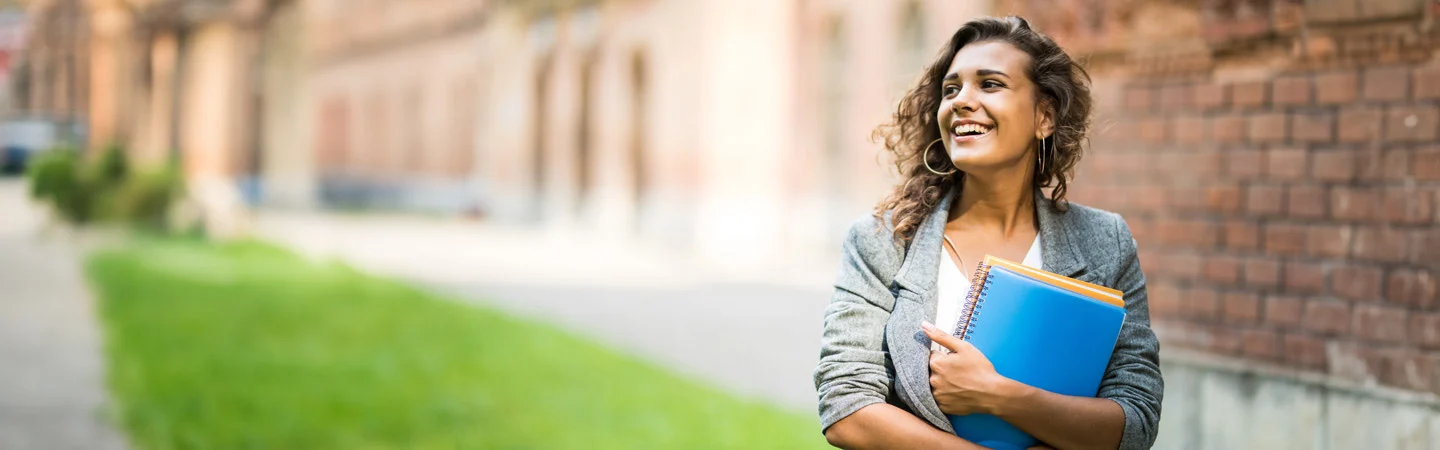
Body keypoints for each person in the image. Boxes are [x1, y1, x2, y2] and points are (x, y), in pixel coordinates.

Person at [813, 16, 1163, 450]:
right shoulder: (883, 240)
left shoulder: (1106, 241)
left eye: (990, 84)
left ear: (1045, 116)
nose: (962, 101)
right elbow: (846, 405)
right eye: (950, 89)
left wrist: (1000, 395)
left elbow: (1136, 421)